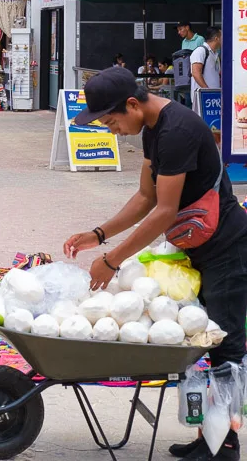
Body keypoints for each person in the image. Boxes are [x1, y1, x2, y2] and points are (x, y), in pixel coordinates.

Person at [63, 67, 247, 461]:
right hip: (198, 245)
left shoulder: (177, 131)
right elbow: (145, 197)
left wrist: (112, 260)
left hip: (227, 246)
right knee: (199, 339)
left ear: (132, 104)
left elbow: (164, 212)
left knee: (225, 342)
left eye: (111, 120)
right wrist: (99, 234)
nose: (111, 130)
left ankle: (225, 446)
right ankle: (208, 436)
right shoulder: (152, 129)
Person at [190, 27, 221, 114]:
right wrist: (207, 91)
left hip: (214, 99)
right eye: (222, 36)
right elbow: (196, 73)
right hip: (203, 98)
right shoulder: (200, 51)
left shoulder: (215, 54)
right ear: (216, 38)